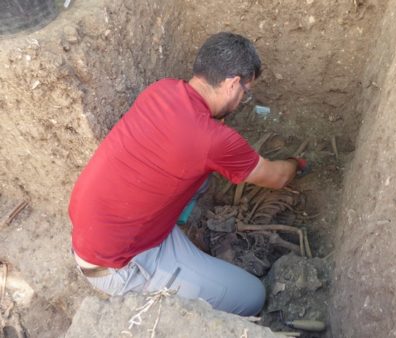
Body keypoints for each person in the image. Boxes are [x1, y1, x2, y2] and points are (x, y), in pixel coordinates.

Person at [68, 32, 307, 316]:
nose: (244, 99)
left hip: (99, 228)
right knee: (253, 296)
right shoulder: (213, 140)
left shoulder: (161, 89)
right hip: (120, 263)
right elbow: (277, 177)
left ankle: (186, 238)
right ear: (232, 84)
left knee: (202, 177)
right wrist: (296, 163)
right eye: (246, 92)